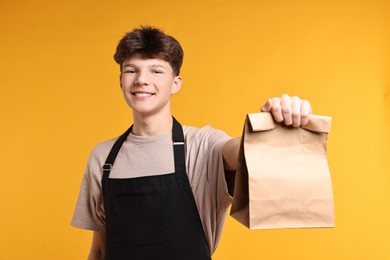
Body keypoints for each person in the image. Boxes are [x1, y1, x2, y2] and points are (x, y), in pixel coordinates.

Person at [71, 26, 312, 260]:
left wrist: (278, 121)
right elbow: (99, 252)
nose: (142, 80)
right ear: (121, 81)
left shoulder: (204, 146)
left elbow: (243, 150)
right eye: (131, 70)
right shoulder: (104, 157)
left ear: (176, 83)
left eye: (156, 71)